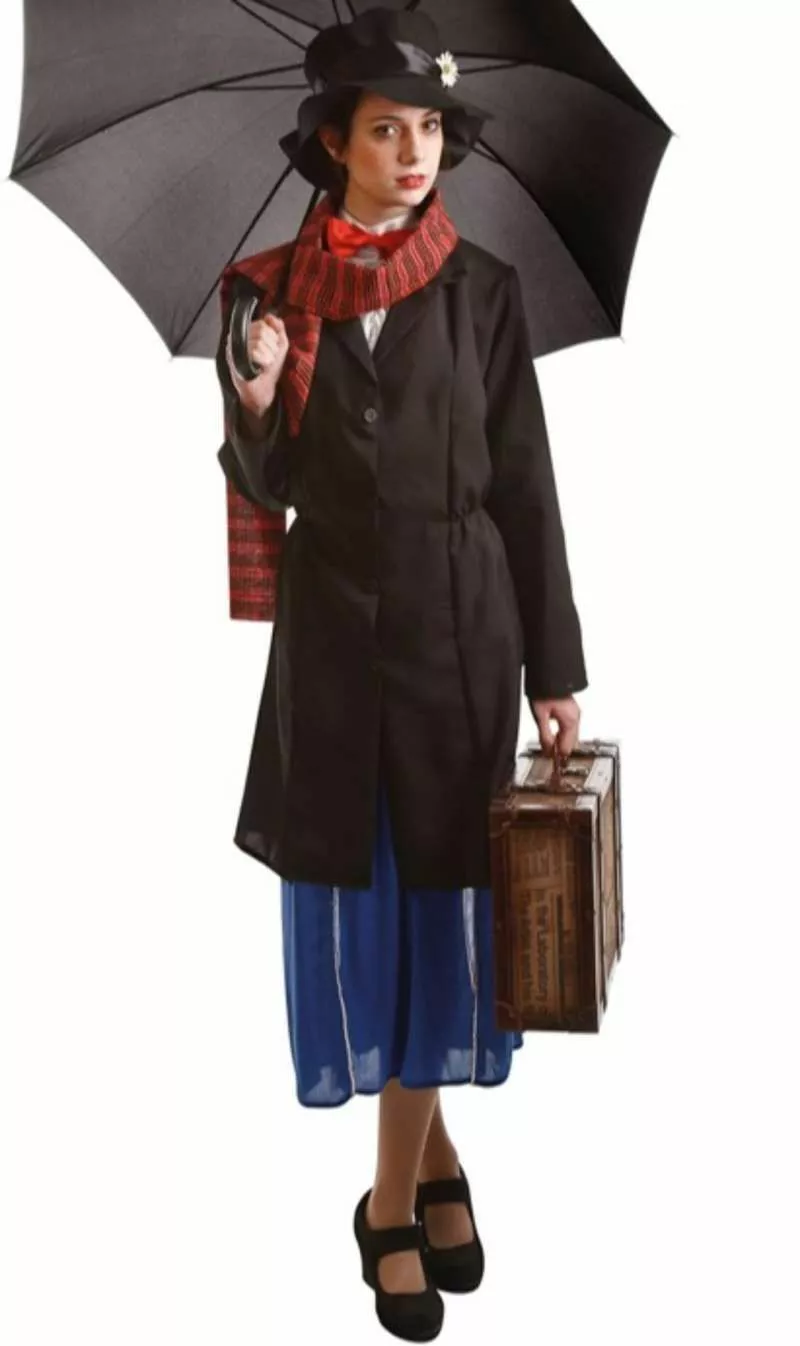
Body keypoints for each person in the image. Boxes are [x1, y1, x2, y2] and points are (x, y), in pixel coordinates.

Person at [216, 7, 587, 1340]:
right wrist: (258, 399)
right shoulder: (265, 295)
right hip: (332, 649)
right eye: (388, 130)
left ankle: (385, 1202)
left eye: (430, 127)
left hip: (462, 642)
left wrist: (556, 665)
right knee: (365, 913)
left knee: (446, 909)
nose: (415, 151)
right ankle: (424, 1171)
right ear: (336, 144)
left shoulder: (484, 288)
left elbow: (527, 486)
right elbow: (268, 485)